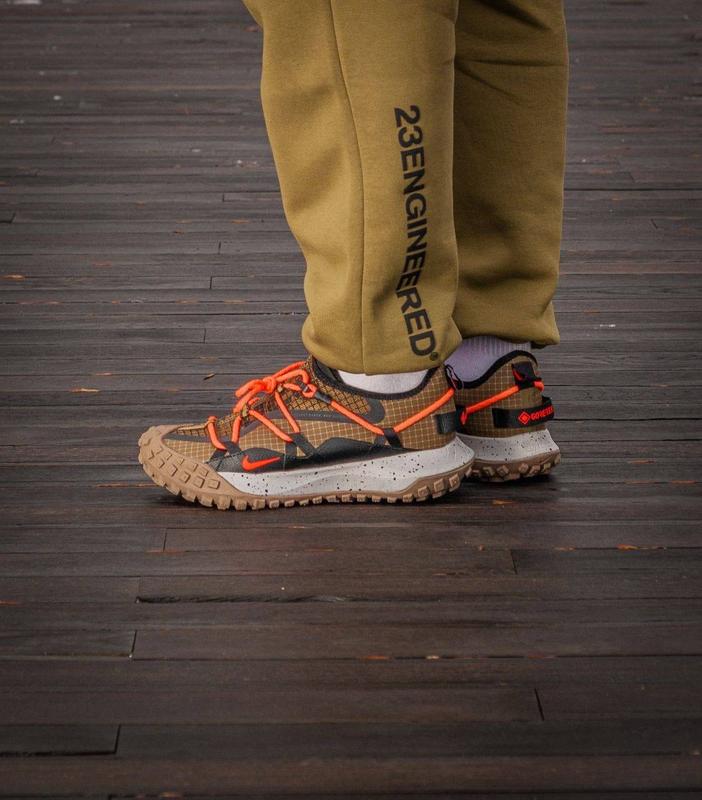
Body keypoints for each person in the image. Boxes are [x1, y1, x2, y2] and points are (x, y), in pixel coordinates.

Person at [139, 0, 568, 510]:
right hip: (496, 372)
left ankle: (378, 384)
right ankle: (487, 372)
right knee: (488, 16)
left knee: (347, 18)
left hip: (382, 398)